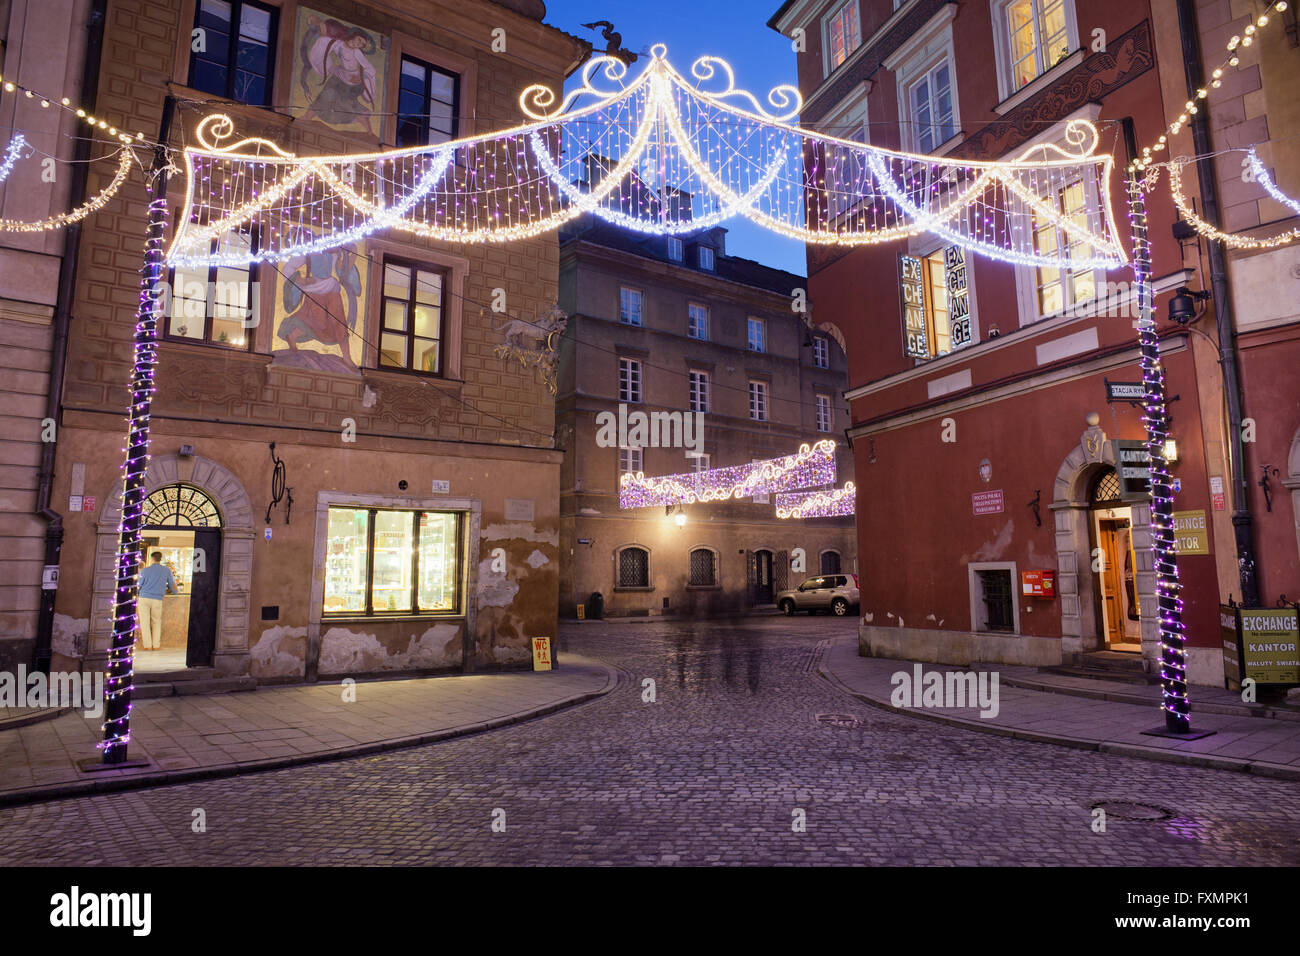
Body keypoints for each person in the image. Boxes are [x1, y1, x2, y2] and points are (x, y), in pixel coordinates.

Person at [137, 551, 179, 651]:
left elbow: (139, 585)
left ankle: (147, 645)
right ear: (160, 559)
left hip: (144, 598)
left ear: (151, 559)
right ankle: (156, 645)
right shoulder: (166, 570)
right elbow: (172, 585)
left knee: (144, 622)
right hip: (157, 599)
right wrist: (175, 591)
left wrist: (137, 592)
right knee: (156, 622)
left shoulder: (144, 570)